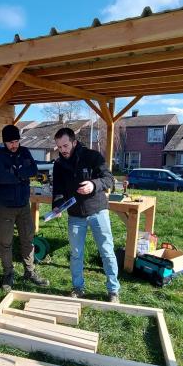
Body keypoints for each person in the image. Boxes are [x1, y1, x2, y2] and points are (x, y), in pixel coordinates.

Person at [51, 127, 121, 303]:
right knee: (75, 253)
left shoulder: (92, 157)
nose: (63, 150)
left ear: (74, 142)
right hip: (75, 215)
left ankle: (113, 290)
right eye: (59, 147)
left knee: (106, 251)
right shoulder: (59, 164)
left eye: (65, 145)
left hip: (98, 211)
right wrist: (57, 206)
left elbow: (109, 179)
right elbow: (58, 190)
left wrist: (93, 184)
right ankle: (78, 287)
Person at [0, 124, 49, 290]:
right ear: (4, 142)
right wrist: (21, 174)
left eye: (16, 141)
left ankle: (29, 271)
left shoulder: (24, 152)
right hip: (6, 205)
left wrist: (16, 173)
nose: (14, 145)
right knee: (5, 241)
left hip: (24, 205)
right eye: (10, 142)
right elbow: (2, 178)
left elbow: (33, 170)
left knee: (28, 239)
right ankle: (8, 273)